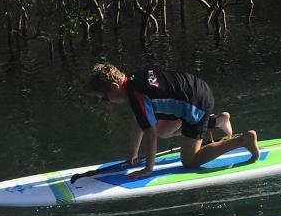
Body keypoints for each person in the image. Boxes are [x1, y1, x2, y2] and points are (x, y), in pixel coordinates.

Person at [87, 63, 259, 179]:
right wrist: (133, 154)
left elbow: (150, 135)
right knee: (163, 131)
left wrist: (148, 169)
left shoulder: (136, 94)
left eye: (104, 98)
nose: (105, 103)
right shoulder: (131, 79)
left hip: (196, 103)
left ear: (115, 88)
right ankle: (218, 121)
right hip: (192, 90)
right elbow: (139, 120)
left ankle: (244, 140)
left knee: (189, 160)